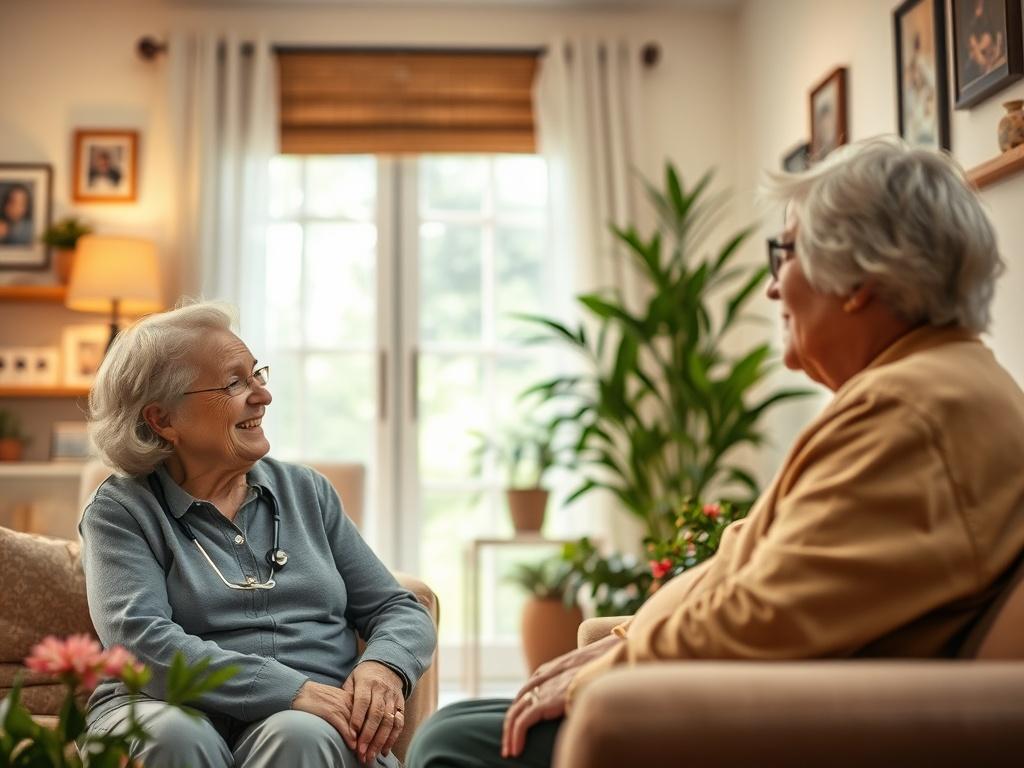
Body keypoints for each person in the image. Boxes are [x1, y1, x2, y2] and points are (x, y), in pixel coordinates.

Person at [406, 136, 1024, 767]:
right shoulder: (920, 388)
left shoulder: (915, 411)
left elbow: (767, 614)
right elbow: (746, 556)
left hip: (766, 720)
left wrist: (619, 665)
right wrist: (623, 637)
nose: (773, 289)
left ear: (860, 279)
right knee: (459, 721)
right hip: (741, 696)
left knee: (453, 744)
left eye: (784, 254)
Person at [80, 301, 436, 768]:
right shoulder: (121, 511)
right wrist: (290, 690)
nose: (262, 396)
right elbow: (142, 642)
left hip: (308, 720)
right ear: (162, 420)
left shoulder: (306, 492)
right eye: (233, 383)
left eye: (256, 375)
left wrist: (383, 665)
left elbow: (398, 607)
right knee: (174, 737)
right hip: (162, 705)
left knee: (300, 736)